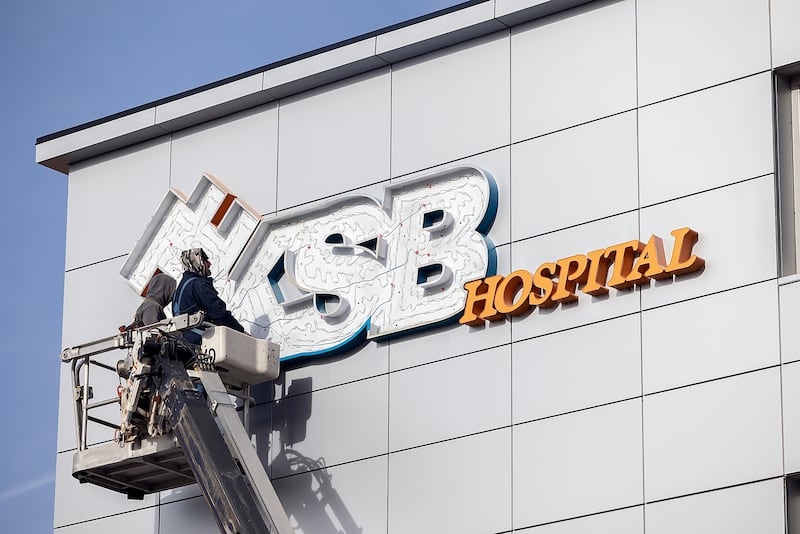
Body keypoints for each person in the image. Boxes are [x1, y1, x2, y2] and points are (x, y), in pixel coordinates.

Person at [172, 248, 245, 344]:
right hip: (203, 341)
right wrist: (241, 332)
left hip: (186, 343)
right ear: (198, 263)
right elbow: (218, 312)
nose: (209, 264)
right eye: (205, 260)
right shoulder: (198, 284)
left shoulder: (179, 291)